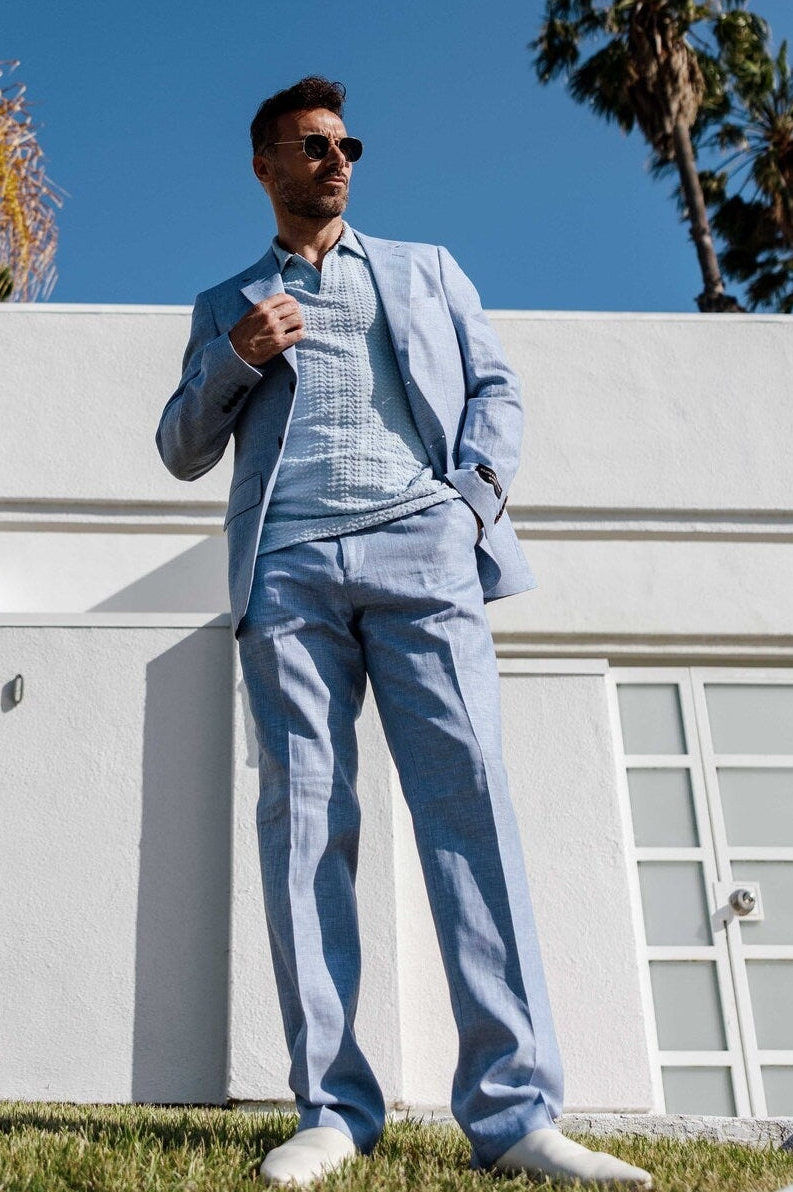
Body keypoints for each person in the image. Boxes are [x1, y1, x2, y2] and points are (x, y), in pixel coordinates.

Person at [156, 76, 653, 1190]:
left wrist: (466, 504)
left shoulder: (426, 269)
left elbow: (495, 388)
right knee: (303, 830)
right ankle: (332, 1108)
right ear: (264, 164)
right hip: (286, 570)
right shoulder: (224, 299)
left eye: (347, 144)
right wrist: (238, 353)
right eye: (312, 144)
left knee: (469, 810)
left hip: (421, 554)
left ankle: (518, 1113)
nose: (337, 159)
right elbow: (180, 446)